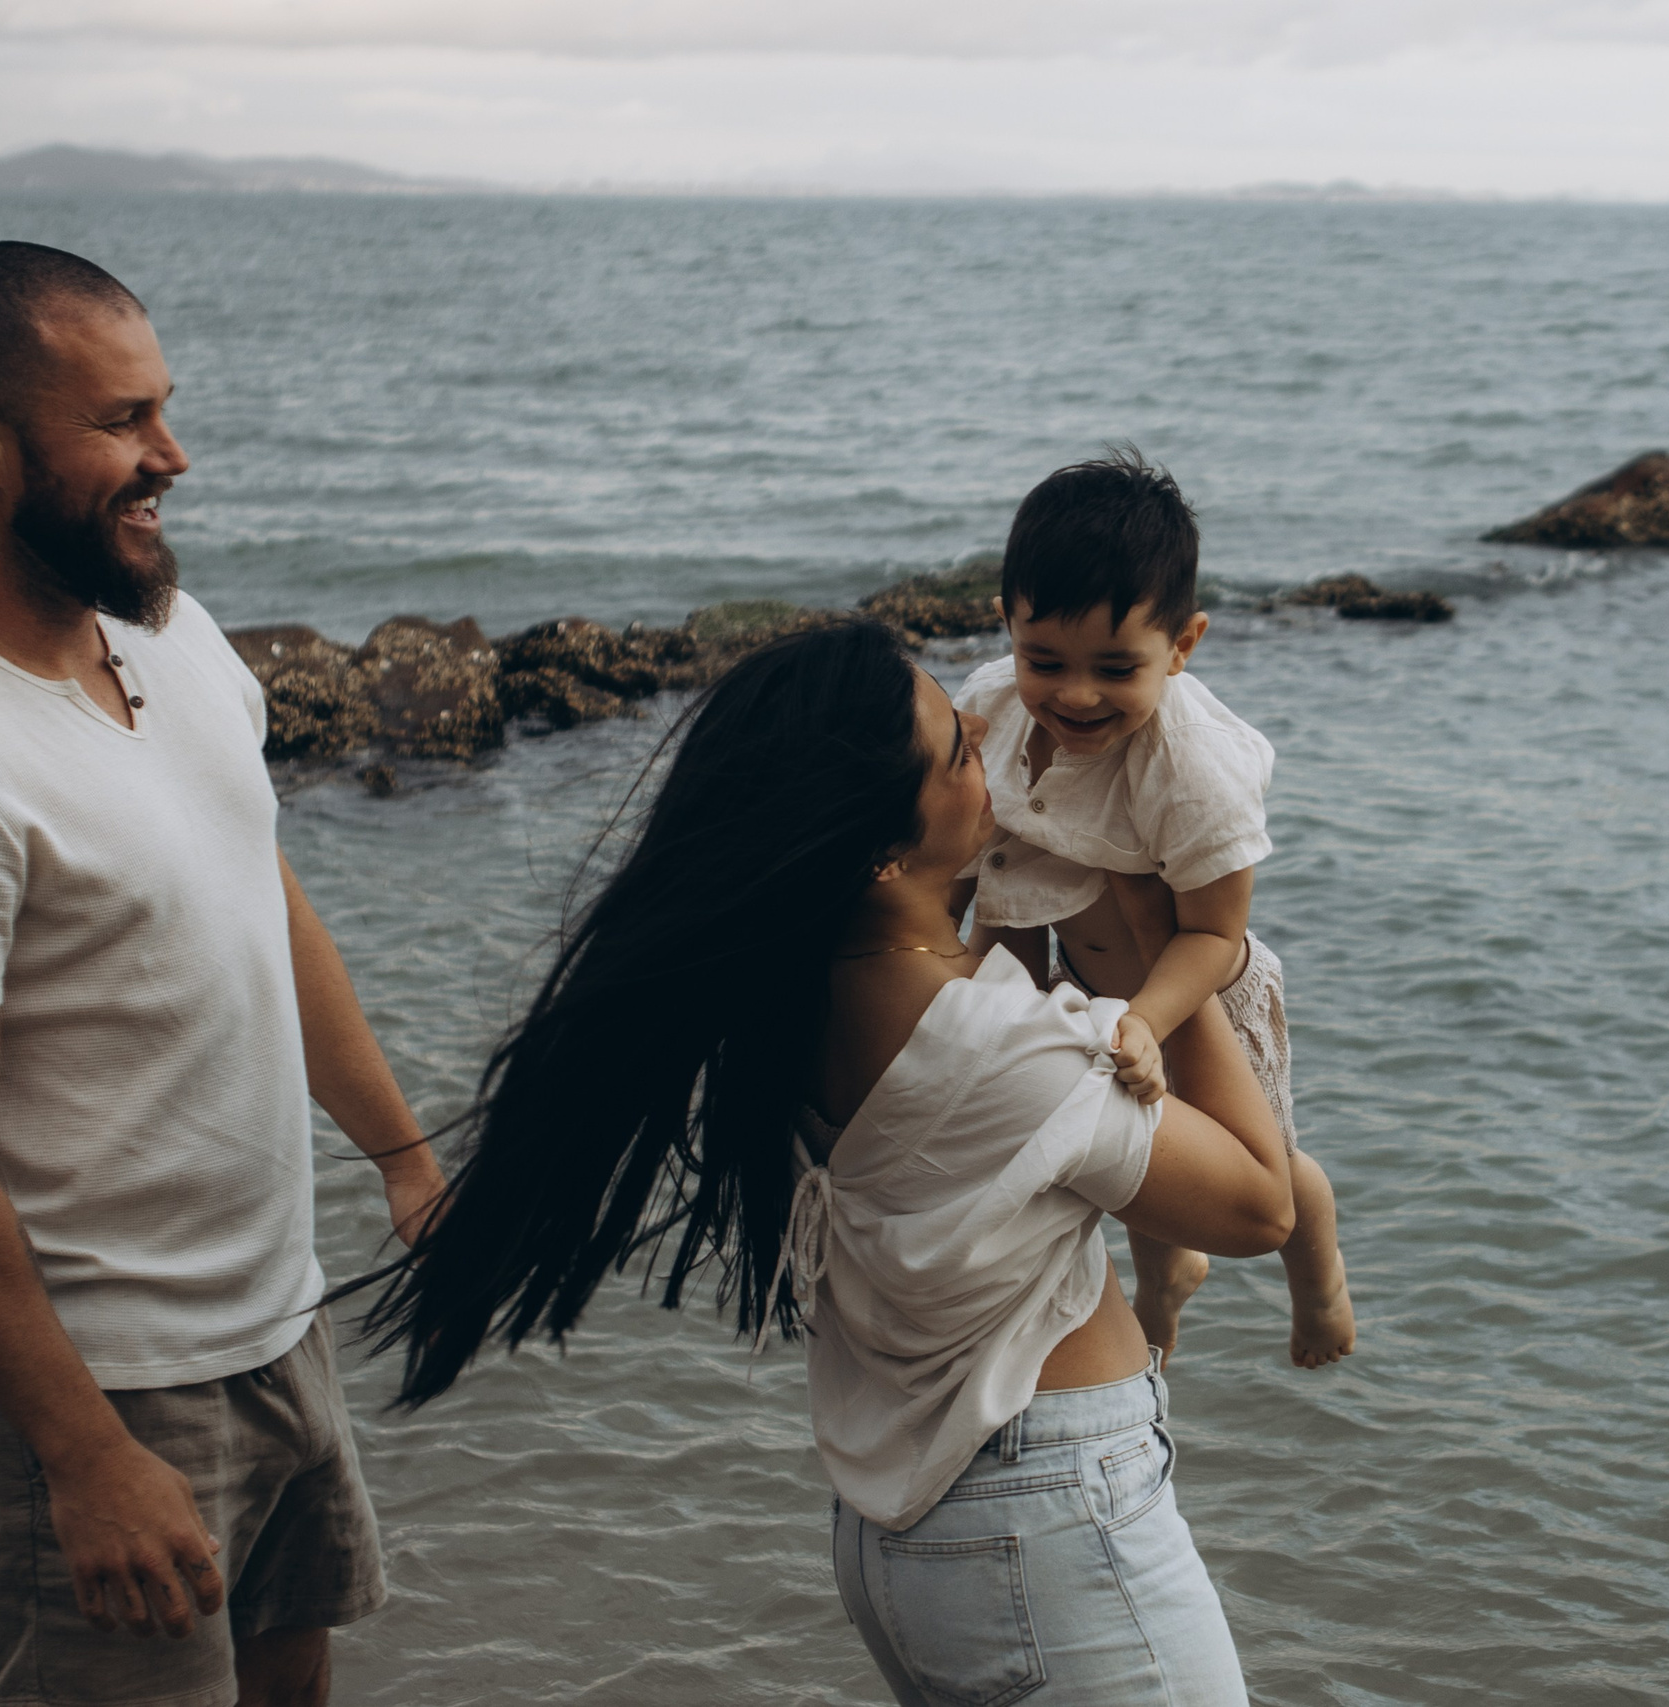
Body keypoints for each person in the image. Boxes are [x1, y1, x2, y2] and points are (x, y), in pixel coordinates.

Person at [345, 620, 1295, 1703]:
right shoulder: (998, 1048)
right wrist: (1163, 933)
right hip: (1055, 1529)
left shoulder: (789, 996)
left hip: (914, 1545)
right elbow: (1262, 1208)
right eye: (955, 749)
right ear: (880, 849)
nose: (986, 727)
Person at [0, 241, 447, 1707]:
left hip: (275, 1317)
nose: (173, 454)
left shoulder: (173, 638)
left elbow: (255, 892)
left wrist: (399, 1150)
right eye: (125, 422)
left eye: (166, 409)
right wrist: (83, 1456)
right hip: (102, 1379)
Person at [952, 449, 1357, 1369]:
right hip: (1086, 979)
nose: (1076, 695)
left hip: (1199, 990)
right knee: (1142, 1161)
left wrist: (1148, 1018)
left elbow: (1215, 933)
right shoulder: (993, 705)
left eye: (1115, 668)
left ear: (1183, 647)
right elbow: (980, 850)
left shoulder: (1191, 766)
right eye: (1042, 658)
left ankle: (1320, 1281)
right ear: (1006, 624)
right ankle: (1167, 1279)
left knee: (1271, 1164)